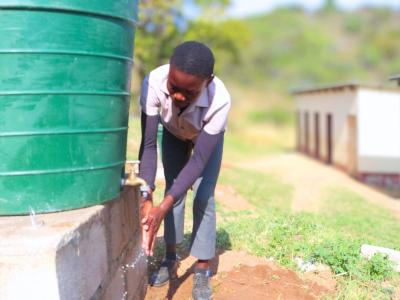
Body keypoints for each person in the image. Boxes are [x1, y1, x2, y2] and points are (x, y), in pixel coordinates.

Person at [138, 41, 231, 300]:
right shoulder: (153, 82)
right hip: (172, 133)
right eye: (173, 87)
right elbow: (147, 146)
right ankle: (170, 257)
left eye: (189, 92)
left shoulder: (219, 99)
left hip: (204, 138)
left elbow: (199, 160)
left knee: (203, 195)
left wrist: (162, 207)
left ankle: (201, 268)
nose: (178, 96)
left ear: (207, 82)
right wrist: (146, 195)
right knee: (172, 187)